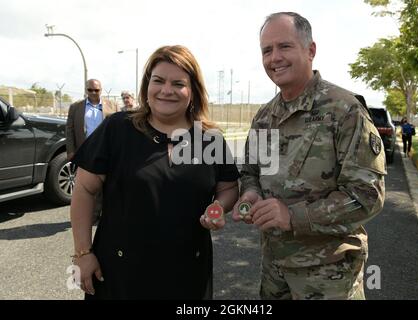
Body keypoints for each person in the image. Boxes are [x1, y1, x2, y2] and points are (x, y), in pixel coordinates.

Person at [232, 12, 386, 300]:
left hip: (329, 278)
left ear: (310, 50)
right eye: (267, 50)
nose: (274, 57)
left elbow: (368, 195)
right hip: (274, 271)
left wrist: (292, 216)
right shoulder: (265, 117)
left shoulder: (345, 111)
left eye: (284, 46)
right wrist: (251, 193)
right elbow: (250, 172)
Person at [70, 45, 240, 300]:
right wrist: (83, 254)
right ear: (147, 86)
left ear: (192, 91)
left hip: (187, 274)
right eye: (158, 80)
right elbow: (84, 189)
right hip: (119, 273)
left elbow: (228, 188)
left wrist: (217, 208)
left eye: (178, 83)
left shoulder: (210, 140)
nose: (166, 90)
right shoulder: (117, 129)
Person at [66, 79, 118, 162]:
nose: (93, 92)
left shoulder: (113, 106)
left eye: (96, 90)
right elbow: (69, 130)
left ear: (101, 90)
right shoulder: (75, 107)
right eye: (90, 90)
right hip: (84, 149)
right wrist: (70, 151)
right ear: (86, 90)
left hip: (106, 149)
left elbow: (118, 129)